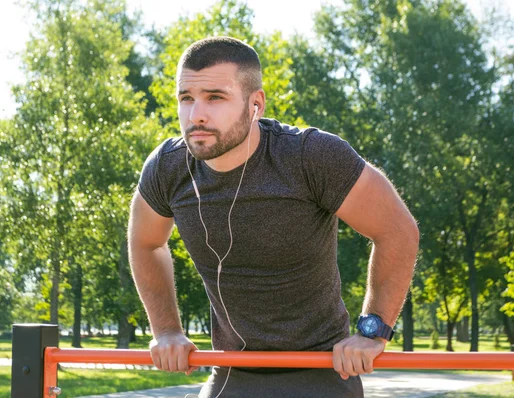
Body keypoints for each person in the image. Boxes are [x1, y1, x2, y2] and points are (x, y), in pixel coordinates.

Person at [128, 36, 419, 397]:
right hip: (233, 369)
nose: (196, 114)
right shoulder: (167, 168)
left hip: (320, 371)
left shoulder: (310, 156)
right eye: (186, 98)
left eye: (215, 97)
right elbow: (146, 243)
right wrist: (166, 330)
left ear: (256, 105)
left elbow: (397, 230)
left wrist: (373, 331)